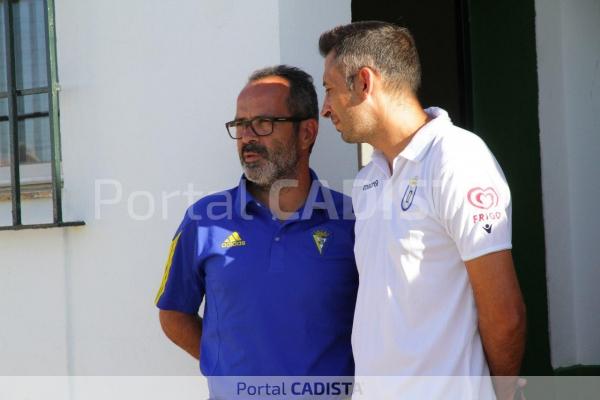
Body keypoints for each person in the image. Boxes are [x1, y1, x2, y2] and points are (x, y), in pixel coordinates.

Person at [319, 21, 526, 399]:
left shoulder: (457, 157)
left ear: (364, 82)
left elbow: (504, 315)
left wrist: (505, 394)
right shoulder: (368, 180)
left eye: (329, 90)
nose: (325, 108)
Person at [155, 65, 358, 396]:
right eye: (240, 124)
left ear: (307, 132)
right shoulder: (203, 219)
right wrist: (225, 368)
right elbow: (174, 313)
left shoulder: (354, 221)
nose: (247, 137)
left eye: (263, 123)